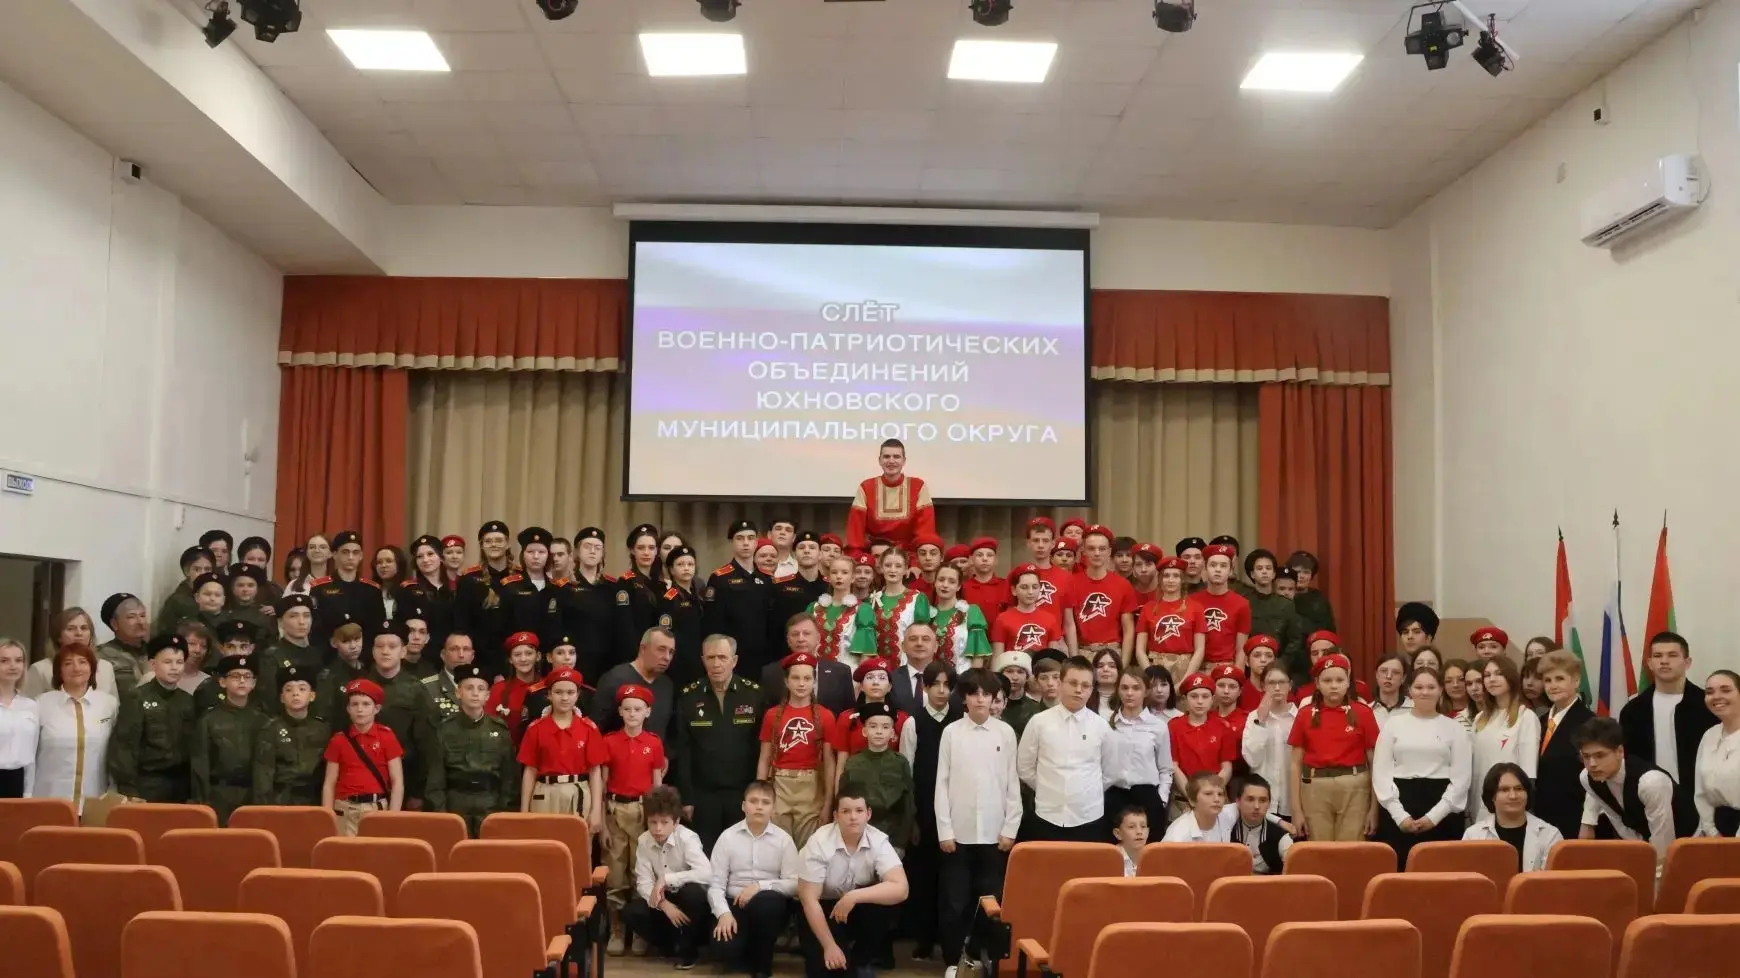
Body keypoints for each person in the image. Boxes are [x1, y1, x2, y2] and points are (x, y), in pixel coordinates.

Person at [935, 668, 1020, 972]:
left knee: (991, 901)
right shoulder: (951, 733)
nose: (980, 699)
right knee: (955, 902)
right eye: (974, 694)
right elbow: (942, 783)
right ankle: (952, 961)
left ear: (995, 698)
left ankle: (979, 957)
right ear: (965, 698)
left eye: (986, 694)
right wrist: (945, 830)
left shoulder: (1005, 733)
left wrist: (1010, 828)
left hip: (995, 834)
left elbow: (1012, 784)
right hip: (958, 834)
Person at [796, 786, 911, 978]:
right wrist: (830, 947)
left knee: (884, 905)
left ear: (868, 814)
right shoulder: (818, 842)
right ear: (836, 816)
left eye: (859, 811)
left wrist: (854, 896)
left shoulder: (878, 840)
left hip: (855, 907)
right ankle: (839, 956)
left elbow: (901, 889)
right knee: (827, 971)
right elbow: (809, 900)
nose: (853, 817)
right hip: (821, 909)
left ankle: (862, 960)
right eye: (846, 811)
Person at [1373, 667, 1472, 870]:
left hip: (1443, 807)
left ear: (1440, 690)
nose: (1424, 692)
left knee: (1440, 871)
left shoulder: (1454, 728)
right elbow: (1381, 773)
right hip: (1399, 804)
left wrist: (1434, 817)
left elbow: (1462, 778)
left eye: (1431, 687)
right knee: (1401, 870)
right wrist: (1399, 815)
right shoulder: (1393, 725)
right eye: (1419, 687)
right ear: (1410, 690)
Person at [1575, 716, 1697, 878]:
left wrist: (1653, 879)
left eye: (1600, 755)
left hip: (1690, 842)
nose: (1592, 764)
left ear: (1619, 752)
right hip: (1646, 843)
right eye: (1586, 756)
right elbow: (1618, 820)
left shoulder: (1650, 782)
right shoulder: (1587, 778)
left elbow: (1663, 839)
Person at [675, 634, 764, 851]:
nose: (716, 664)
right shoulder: (689, 696)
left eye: (722, 657)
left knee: (742, 854)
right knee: (706, 855)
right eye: (710, 657)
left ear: (734, 660)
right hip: (704, 796)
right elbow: (683, 750)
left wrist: (758, 793)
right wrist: (687, 797)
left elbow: (762, 748)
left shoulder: (754, 695)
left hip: (743, 793)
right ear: (702, 660)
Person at [710, 781, 802, 978]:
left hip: (769, 906)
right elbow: (715, 885)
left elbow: (795, 884)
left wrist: (760, 886)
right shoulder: (727, 837)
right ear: (744, 806)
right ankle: (746, 950)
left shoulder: (784, 840)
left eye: (765, 802)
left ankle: (762, 966)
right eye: (753, 801)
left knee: (766, 902)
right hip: (734, 905)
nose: (759, 807)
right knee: (724, 950)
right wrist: (724, 914)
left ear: (773, 809)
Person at [601, 683, 669, 950]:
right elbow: (602, 784)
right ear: (619, 711)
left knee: (642, 870)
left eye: (638, 709)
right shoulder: (609, 741)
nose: (632, 714)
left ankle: (640, 929)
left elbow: (657, 784)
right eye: (627, 709)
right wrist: (602, 822)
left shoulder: (653, 742)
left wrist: (658, 820)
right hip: (615, 810)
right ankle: (616, 929)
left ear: (647, 712)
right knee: (616, 872)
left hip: (643, 811)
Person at [1289, 653, 1379, 841]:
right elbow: (1295, 764)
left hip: (1354, 786)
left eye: (1339, 680)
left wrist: (1374, 809)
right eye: (1327, 680)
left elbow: (1374, 762)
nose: (1334, 685)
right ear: (1317, 683)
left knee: (1352, 848)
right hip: (1315, 787)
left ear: (1348, 682)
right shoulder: (1305, 714)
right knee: (1319, 848)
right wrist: (1296, 810)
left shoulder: (1363, 713)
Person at [623, 785, 714, 969]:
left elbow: (707, 873)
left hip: (687, 900)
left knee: (693, 893)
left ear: (676, 821)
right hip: (664, 899)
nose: (658, 829)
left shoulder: (687, 838)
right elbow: (643, 883)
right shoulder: (644, 841)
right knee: (632, 911)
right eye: (653, 822)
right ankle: (670, 945)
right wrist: (664, 905)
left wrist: (667, 879)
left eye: (664, 822)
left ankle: (689, 950)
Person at [1017, 657, 1107, 842]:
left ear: (1091, 690)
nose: (1078, 690)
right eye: (1073, 683)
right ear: (1060, 683)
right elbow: (1024, 767)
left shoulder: (1101, 726)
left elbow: (1109, 771)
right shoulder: (1039, 722)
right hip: (1047, 815)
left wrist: (1086, 791)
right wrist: (1048, 788)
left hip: (1089, 816)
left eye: (1085, 685)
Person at [425, 663, 517, 837]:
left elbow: (509, 778)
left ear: (487, 695)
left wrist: (504, 812)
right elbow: (435, 780)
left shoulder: (499, 729)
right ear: (458, 692)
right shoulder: (445, 729)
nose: (475, 693)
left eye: (481, 689)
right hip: (456, 803)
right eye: (469, 688)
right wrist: (442, 815)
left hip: (490, 802)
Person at [1619, 631, 1717, 789]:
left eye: (1672, 655)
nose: (1664, 661)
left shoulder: (1707, 705)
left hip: (1700, 794)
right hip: (1649, 795)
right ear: (1649, 663)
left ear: (1687, 662)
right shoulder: (1633, 711)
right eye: (1658, 656)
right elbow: (1630, 760)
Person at [759, 651, 837, 848]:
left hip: (811, 788)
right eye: (795, 678)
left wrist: (828, 803)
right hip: (779, 786)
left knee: (808, 849)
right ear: (786, 681)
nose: (801, 684)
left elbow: (829, 763)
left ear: (814, 682)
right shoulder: (772, 715)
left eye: (807, 678)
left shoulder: (826, 716)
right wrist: (761, 796)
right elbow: (764, 758)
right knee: (777, 847)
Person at [32, 644, 121, 812]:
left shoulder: (109, 704)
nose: (76, 668)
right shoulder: (41, 704)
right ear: (59, 671)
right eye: (68, 663)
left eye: (83, 662)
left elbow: (117, 752)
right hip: (49, 798)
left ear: (92, 668)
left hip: (95, 801)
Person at [110, 634, 197, 802]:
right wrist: (129, 789)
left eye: (179, 662)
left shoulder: (188, 700)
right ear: (153, 664)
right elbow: (124, 747)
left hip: (182, 785)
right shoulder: (137, 698)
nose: (174, 668)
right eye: (167, 662)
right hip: (148, 783)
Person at [365, 620, 440, 808]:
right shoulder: (360, 686)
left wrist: (418, 792)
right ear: (372, 651)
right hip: (364, 777)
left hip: (406, 777)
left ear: (403, 651)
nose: (385, 651)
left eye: (392, 646)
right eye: (380, 646)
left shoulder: (416, 690)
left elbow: (427, 746)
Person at [517, 666, 606, 821]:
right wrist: (524, 811)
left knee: (578, 837)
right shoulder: (535, 729)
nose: (565, 698)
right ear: (549, 695)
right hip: (545, 794)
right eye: (558, 692)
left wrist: (596, 811)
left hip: (578, 792)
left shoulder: (589, 729)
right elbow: (530, 771)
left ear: (577, 695)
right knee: (543, 836)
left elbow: (595, 772)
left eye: (570, 692)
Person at [192, 654, 267, 825]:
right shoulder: (209, 720)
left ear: (254, 683)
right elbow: (200, 765)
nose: (242, 681)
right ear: (222, 682)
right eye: (235, 676)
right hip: (219, 794)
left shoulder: (262, 720)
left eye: (247, 676)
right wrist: (202, 801)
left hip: (252, 794)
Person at [322, 678, 403, 833]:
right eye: (355, 704)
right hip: (344, 809)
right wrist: (328, 816)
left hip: (377, 808)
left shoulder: (387, 737)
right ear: (348, 709)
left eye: (366, 704)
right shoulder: (338, 740)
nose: (360, 709)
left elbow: (397, 781)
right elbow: (329, 783)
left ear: (377, 708)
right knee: (345, 848)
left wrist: (393, 815)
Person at [1103, 665, 1173, 837]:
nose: (1129, 693)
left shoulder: (1158, 726)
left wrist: (1161, 799)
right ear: (1118, 690)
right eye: (1124, 688)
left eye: (1136, 688)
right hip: (1113, 797)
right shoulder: (1105, 724)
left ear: (1146, 691)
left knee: (1149, 849)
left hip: (1147, 797)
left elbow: (1165, 768)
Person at [1534, 651, 1596, 840]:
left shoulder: (1589, 722)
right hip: (1541, 818)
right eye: (1548, 680)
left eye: (1559, 678)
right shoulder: (1539, 721)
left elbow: (1596, 777)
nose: (1553, 685)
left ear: (1576, 681)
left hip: (1575, 818)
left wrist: (1588, 822)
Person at [839, 701, 916, 856]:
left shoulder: (900, 763)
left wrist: (900, 843)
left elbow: (907, 806)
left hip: (891, 837)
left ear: (893, 733)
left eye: (885, 727)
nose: (879, 732)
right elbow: (843, 801)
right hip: (859, 835)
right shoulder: (853, 763)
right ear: (864, 731)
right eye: (873, 726)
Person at [1471, 657, 1541, 818]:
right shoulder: (1480, 719)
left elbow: (1528, 772)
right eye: (1487, 675)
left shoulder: (1526, 717)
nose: (1492, 679)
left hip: (1511, 803)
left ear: (1511, 677)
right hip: (1479, 802)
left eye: (1498, 673)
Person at [1463, 763, 1563, 872]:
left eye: (1519, 789)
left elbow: (1556, 879)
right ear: (1492, 796)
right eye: (1504, 790)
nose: (1513, 796)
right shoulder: (1473, 836)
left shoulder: (1550, 835)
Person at [706, 521, 775, 678]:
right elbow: (712, 623)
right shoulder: (720, 578)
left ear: (756, 542)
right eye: (740, 538)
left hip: (762, 658)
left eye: (750, 538)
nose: (745, 543)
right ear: (732, 542)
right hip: (732, 658)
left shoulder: (766, 579)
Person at [845, 438, 937, 554]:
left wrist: (916, 559)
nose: (891, 461)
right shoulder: (866, 487)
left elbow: (925, 532)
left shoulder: (918, 486)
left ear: (904, 461)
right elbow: (855, 531)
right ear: (879, 460)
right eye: (886, 457)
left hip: (908, 554)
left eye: (896, 457)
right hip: (875, 554)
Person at [253, 665, 328, 806]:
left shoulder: (323, 729)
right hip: (281, 801)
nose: (295, 694)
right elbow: (263, 776)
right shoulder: (271, 729)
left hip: (315, 801)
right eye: (289, 689)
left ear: (312, 696)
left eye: (302, 689)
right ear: (282, 697)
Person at [1168, 672, 1236, 821]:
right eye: (1194, 696)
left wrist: (1211, 794)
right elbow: (1174, 766)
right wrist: (1193, 796)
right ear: (1185, 699)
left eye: (1205, 696)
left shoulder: (1223, 727)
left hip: (1215, 798)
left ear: (1212, 699)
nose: (1200, 701)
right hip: (1183, 799)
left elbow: (1227, 767)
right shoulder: (1174, 726)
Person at [456, 520, 518, 677]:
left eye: (499, 540)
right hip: (479, 659)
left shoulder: (520, 576)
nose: (494, 544)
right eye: (488, 541)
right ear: (482, 546)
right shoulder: (469, 579)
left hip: (515, 659)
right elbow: (462, 622)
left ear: (507, 544)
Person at [593, 626, 677, 740]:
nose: (667, 657)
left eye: (671, 652)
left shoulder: (667, 685)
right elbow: (595, 729)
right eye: (661, 649)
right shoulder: (615, 679)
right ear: (643, 649)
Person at [310, 531, 388, 651]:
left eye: (355, 552)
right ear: (334, 554)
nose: (351, 557)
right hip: (328, 654)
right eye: (345, 552)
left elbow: (378, 629)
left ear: (361, 556)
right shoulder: (319, 588)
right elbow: (315, 629)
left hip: (364, 655)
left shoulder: (372, 590)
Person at [851, 548, 932, 663]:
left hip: (907, 665)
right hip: (877, 669)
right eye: (888, 565)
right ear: (881, 568)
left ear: (905, 569)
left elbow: (923, 639)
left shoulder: (918, 599)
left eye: (898, 566)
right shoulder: (871, 601)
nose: (892, 570)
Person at [1074, 525, 1138, 667]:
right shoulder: (1072, 582)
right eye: (1091, 548)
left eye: (1102, 549)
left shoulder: (1123, 585)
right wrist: (1074, 660)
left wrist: (1123, 664)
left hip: (1113, 652)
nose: (1097, 553)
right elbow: (1069, 625)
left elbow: (1128, 630)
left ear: (1109, 552)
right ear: (1084, 550)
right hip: (1082, 652)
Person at [1242, 664, 1298, 821]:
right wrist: (1261, 722)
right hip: (1263, 803)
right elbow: (1252, 759)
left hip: (1293, 801)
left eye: (1282, 682)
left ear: (1290, 685)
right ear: (1263, 686)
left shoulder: (1300, 717)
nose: (1277, 688)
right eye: (1271, 683)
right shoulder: (1254, 717)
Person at [1134, 556, 1203, 683]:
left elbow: (1200, 649)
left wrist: (1186, 680)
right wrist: (1151, 675)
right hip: (1156, 667)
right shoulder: (1148, 608)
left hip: (1185, 668)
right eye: (1166, 576)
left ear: (1182, 580)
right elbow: (1140, 650)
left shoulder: (1196, 607)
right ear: (1160, 579)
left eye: (1176, 576)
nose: (1170, 580)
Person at [565, 527, 618, 686]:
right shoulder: (565, 587)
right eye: (587, 546)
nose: (592, 551)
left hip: (607, 661)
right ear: (577, 552)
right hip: (577, 660)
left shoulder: (613, 587)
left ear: (603, 554)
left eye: (597, 548)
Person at [24, 608, 116, 697]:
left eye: (84, 628)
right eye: (71, 629)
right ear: (59, 636)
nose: (79, 633)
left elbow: (113, 705)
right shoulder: (40, 669)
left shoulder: (105, 667)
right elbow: (28, 704)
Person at [1189, 544, 1251, 671]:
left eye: (1223, 566)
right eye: (1213, 565)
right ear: (1205, 568)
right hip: (1196, 667)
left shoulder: (1242, 604)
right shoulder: (1191, 601)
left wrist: (1236, 677)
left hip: (1226, 668)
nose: (1218, 570)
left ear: (1230, 570)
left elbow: (1241, 650)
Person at [1695, 669, 1740, 836]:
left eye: (1726, 690)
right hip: (1717, 831)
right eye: (1709, 692)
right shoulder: (1709, 735)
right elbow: (1700, 791)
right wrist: (1711, 831)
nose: (1716, 697)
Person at [658, 544, 708, 692]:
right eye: (680, 564)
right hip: (680, 662)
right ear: (672, 570)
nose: (686, 568)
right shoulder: (669, 598)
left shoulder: (699, 594)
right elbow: (666, 634)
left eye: (690, 564)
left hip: (700, 659)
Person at [616, 524, 666, 668]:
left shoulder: (661, 584)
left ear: (657, 551)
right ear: (632, 551)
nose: (646, 553)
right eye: (641, 548)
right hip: (636, 654)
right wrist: (638, 655)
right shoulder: (626, 582)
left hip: (660, 654)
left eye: (651, 548)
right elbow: (625, 625)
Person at [991, 565, 1064, 657]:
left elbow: (1052, 658)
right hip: (1013, 665)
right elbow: (997, 657)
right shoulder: (1002, 619)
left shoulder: (1050, 619)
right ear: (1014, 590)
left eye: (1035, 587)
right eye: (1024, 587)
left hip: (1041, 665)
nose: (1030, 592)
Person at [929, 565, 991, 672]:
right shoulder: (928, 614)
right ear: (935, 583)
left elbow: (977, 656)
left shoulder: (970, 612)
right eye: (941, 580)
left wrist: (973, 680)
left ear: (959, 587)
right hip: (932, 679)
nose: (945, 585)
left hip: (963, 678)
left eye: (952, 582)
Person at [1229, 774, 1294, 874]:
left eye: (1263, 800)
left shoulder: (1281, 837)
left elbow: (1293, 874)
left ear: (1269, 804)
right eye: (1250, 799)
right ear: (1238, 801)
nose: (1256, 806)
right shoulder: (1227, 829)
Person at [486, 632, 544, 744]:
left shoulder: (547, 687)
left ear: (538, 656)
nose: (523, 659)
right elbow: (489, 726)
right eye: (517, 654)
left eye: (529, 653)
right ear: (510, 659)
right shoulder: (498, 690)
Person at [0, 638, 37, 798]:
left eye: (18, 660)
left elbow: (31, 755)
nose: (13, 666)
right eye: (4, 661)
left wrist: (28, 793)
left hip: (17, 780)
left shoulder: (31, 706)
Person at [97, 592, 151, 691]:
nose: (141, 622)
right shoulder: (102, 656)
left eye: (143, 615)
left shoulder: (158, 651)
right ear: (114, 624)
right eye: (131, 617)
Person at [1162, 772, 1236, 841]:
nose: (1217, 799)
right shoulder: (1177, 836)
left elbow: (1240, 804)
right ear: (1192, 801)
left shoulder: (1226, 815)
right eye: (1208, 794)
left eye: (1220, 794)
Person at [960, 537, 1006, 618]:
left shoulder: (1006, 586)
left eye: (989, 555)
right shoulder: (963, 588)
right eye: (979, 555)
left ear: (996, 560)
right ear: (971, 559)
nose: (985, 559)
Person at [1111, 806, 1148, 877]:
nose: (1139, 832)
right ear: (1118, 834)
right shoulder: (1110, 859)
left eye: (1143, 826)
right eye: (1131, 827)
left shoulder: (1153, 857)